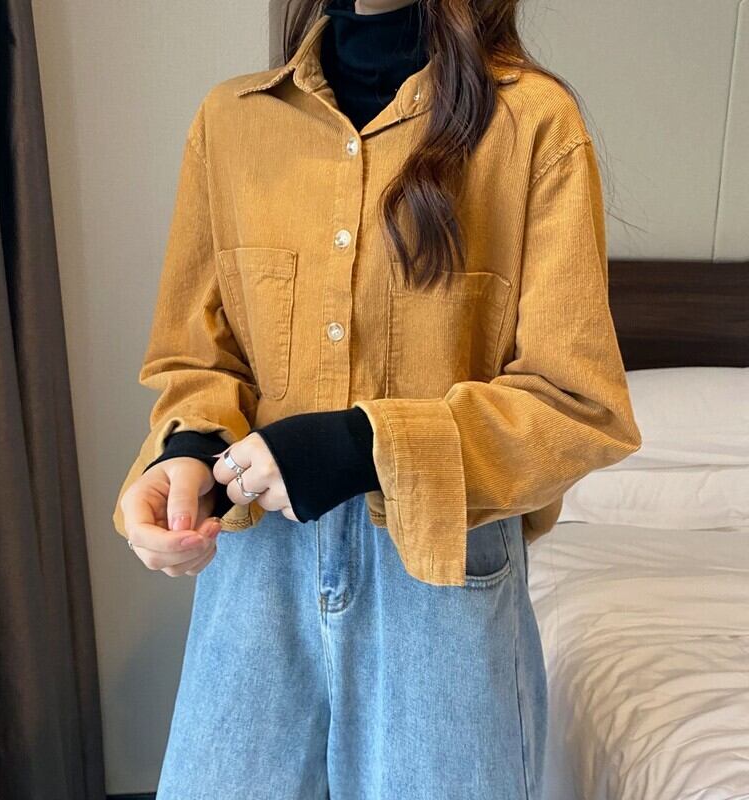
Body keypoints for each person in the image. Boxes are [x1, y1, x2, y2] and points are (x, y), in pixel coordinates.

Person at [113, 0, 642, 797]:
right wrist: (186, 454)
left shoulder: (534, 126)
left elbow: (577, 406)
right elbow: (196, 358)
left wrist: (361, 446)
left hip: (441, 584)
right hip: (255, 576)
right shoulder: (231, 124)